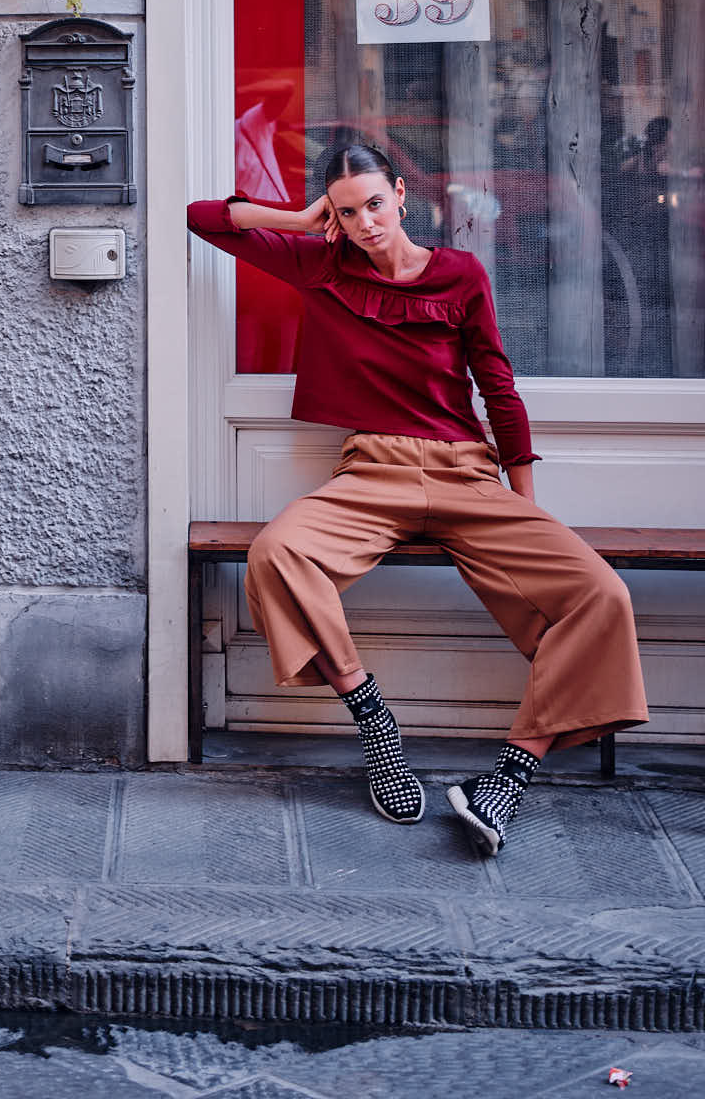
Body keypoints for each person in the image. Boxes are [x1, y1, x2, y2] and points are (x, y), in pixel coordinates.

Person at [187, 142, 648, 857]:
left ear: (402, 194)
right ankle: (374, 721)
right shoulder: (322, 264)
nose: (366, 223)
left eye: (375, 204)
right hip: (374, 474)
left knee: (602, 595)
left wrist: (526, 504)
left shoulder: (460, 274)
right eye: (348, 212)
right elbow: (203, 218)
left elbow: (499, 389)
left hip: (466, 475)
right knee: (278, 553)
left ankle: (507, 778)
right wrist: (302, 221)